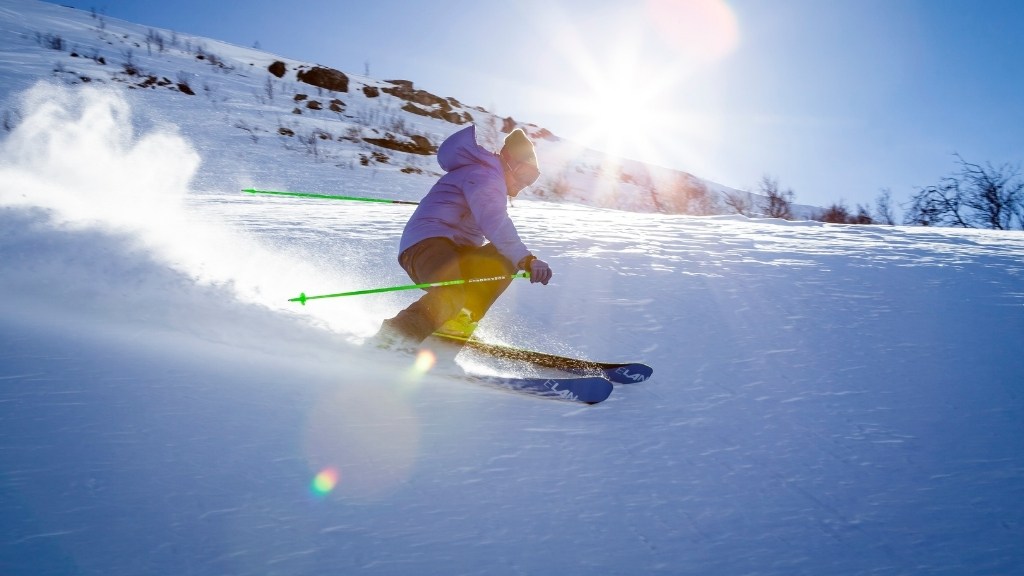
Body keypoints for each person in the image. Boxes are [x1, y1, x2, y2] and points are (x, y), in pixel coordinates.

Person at [373, 124, 553, 350]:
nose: (522, 186)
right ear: (507, 160)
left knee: (502, 256)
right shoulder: (485, 175)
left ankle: (455, 326)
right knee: (452, 292)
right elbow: (494, 221)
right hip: (426, 246)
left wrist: (519, 257)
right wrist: (527, 258)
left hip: (454, 250)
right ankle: (392, 339)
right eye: (524, 175)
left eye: (531, 180)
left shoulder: (487, 176)